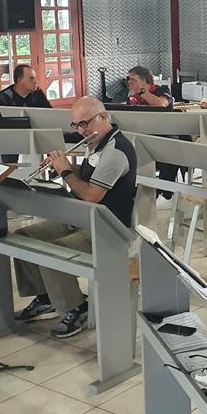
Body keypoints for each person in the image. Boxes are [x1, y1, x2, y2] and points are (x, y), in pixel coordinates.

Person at [13, 96, 137, 339]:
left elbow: (90, 196)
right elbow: (92, 173)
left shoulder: (116, 151)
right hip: (81, 217)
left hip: (107, 227)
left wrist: (66, 172)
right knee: (24, 236)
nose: (81, 131)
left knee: (53, 250)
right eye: (76, 125)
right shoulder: (97, 143)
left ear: (103, 117)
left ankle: (76, 307)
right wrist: (65, 165)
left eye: (85, 123)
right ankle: (46, 297)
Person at [124, 66, 179, 204]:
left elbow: (162, 104)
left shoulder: (163, 91)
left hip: (163, 134)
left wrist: (142, 92)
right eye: (128, 79)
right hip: (141, 135)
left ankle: (164, 191)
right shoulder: (132, 96)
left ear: (144, 81)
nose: (129, 82)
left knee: (172, 148)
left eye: (133, 79)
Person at [0, 65, 52, 163]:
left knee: (52, 137)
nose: (36, 81)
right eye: (31, 78)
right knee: (7, 144)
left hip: (36, 135)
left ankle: (54, 167)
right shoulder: (4, 97)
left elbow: (50, 114)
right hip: (12, 137)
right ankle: (10, 170)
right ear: (20, 81)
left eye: (35, 77)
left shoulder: (37, 93)